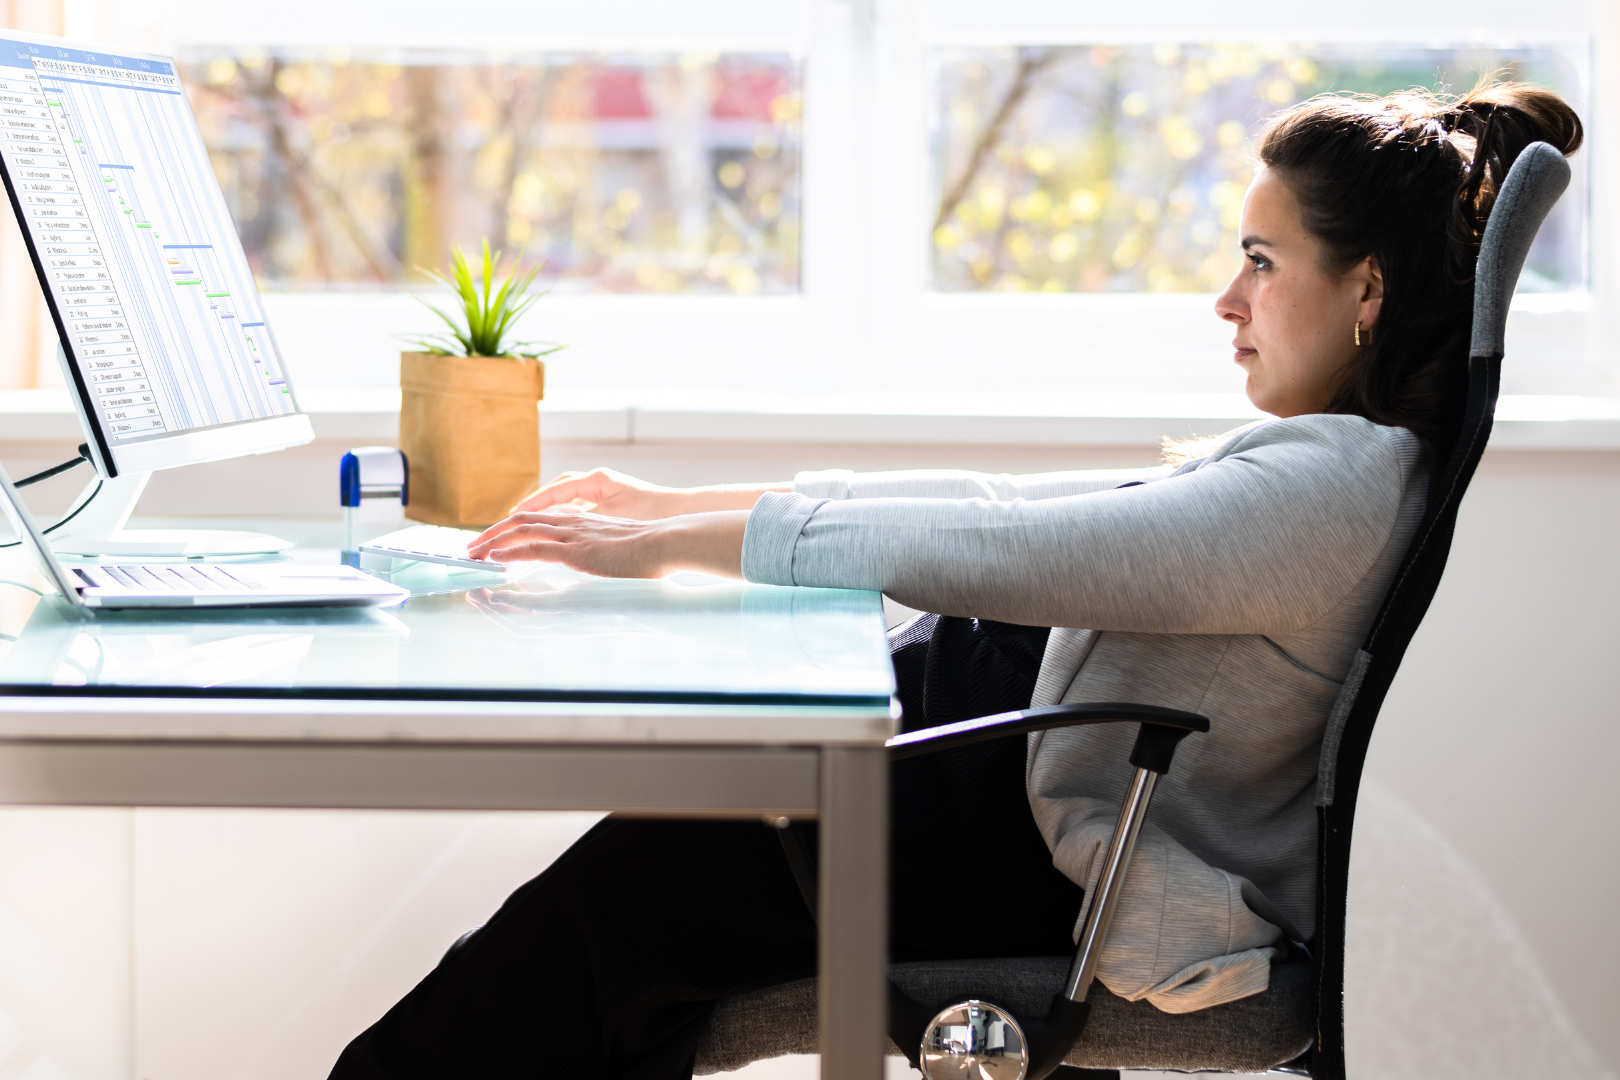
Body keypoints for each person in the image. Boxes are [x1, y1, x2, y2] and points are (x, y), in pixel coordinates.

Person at [330, 82, 1582, 1079]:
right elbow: (1013, 509)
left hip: (1017, 826)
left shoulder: (1331, 488)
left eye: (1262, 260)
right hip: (981, 767)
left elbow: (1014, 555)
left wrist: (682, 539)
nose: (1226, 299)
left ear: (1366, 287)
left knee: (608, 921)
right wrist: (680, 512)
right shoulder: (1326, 464)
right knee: (620, 934)